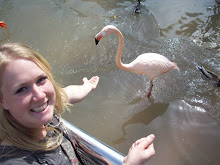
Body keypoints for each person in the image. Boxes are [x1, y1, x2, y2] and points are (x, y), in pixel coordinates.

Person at [0, 43, 155, 165]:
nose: (40, 96)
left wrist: (86, 87)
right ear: (2, 101)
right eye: (21, 89)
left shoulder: (38, 113)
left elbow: (66, 94)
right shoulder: (17, 161)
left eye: (41, 79)